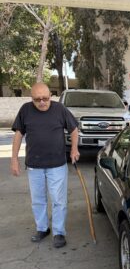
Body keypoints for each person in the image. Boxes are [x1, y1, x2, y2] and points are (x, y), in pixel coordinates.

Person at [10, 83, 80, 248]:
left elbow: (74, 129)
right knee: (38, 200)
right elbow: (19, 134)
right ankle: (42, 228)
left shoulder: (60, 109)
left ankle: (59, 232)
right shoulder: (25, 110)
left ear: (50, 96)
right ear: (31, 98)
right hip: (34, 164)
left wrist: (74, 149)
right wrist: (14, 159)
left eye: (45, 98)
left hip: (57, 164)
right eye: (37, 99)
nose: (42, 102)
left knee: (58, 200)